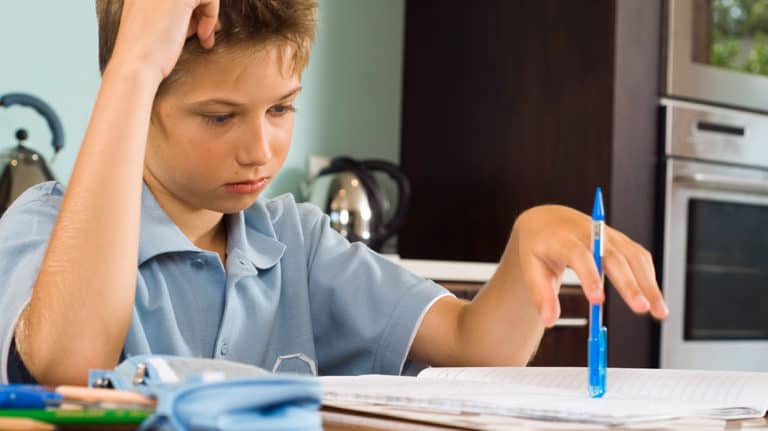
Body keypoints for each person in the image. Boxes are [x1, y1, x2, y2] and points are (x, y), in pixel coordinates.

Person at [0, 0, 668, 386]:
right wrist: (135, 63)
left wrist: (526, 249)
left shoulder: (296, 240)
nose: (259, 149)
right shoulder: (45, 226)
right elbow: (68, 366)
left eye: (281, 108)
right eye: (220, 116)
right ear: (136, 100)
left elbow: (475, 345)